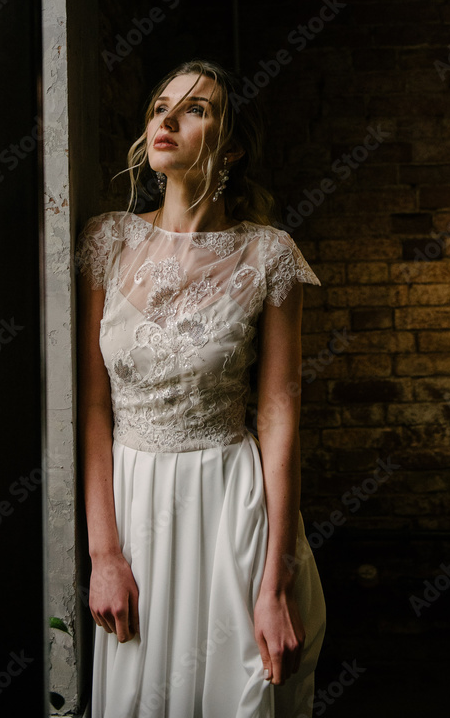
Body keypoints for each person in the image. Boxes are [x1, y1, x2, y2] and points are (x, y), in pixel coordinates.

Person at [75, 58, 326, 717]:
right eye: (161, 106)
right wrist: (103, 554)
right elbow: (93, 408)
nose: (168, 119)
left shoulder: (268, 256)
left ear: (231, 146)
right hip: (134, 506)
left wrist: (276, 581)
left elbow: (277, 417)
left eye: (196, 109)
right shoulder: (106, 243)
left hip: (228, 505)